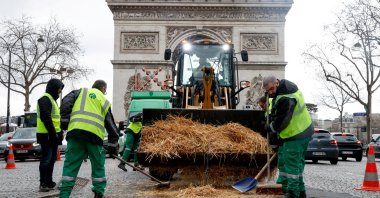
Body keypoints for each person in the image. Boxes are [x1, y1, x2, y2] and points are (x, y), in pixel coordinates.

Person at [59, 80, 119, 198]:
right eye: (105, 90)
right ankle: (98, 193)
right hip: (94, 137)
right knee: (98, 167)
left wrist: (65, 121)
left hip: (76, 134)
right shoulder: (104, 101)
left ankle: (64, 194)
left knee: (70, 166)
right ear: (103, 88)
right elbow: (111, 125)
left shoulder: (80, 92)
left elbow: (65, 101)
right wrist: (112, 146)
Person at [262, 76, 314, 198]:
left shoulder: (286, 97)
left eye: (272, 89)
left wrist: (270, 128)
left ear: (277, 82)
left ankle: (292, 193)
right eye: (268, 91)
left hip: (297, 133)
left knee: (291, 164)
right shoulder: (281, 92)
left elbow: (282, 121)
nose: (271, 92)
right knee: (286, 162)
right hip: (296, 133)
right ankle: (298, 191)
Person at [37, 78, 64, 192]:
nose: (60, 91)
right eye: (59, 89)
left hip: (52, 135)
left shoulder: (52, 100)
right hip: (46, 135)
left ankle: (49, 181)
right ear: (53, 88)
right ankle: (43, 183)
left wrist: (60, 132)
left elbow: (56, 120)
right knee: (46, 160)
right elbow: (46, 117)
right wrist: (54, 134)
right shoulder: (45, 99)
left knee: (51, 159)